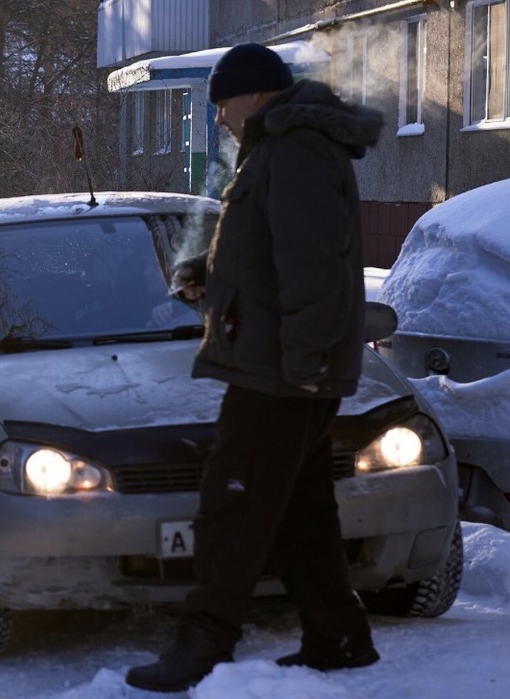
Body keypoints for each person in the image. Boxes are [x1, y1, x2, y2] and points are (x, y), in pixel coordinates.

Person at [125, 43, 384, 693]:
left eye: (222, 104)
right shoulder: (279, 148)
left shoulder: (293, 149)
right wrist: (211, 277)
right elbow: (272, 254)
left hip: (280, 373)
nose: (219, 118)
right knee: (299, 510)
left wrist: (304, 364)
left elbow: (315, 267)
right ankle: (338, 635)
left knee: (231, 505)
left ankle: (203, 642)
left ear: (254, 94)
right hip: (285, 365)